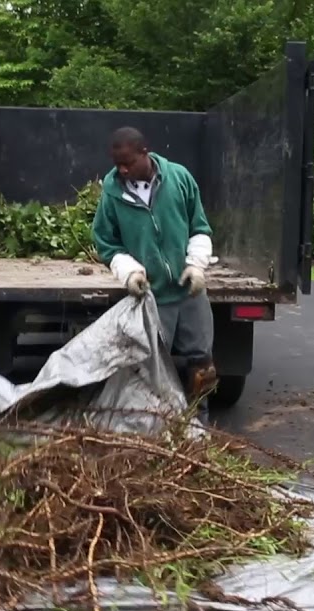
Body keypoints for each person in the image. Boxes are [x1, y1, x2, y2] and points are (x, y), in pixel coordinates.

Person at [91, 127, 217, 420]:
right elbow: (107, 243)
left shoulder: (179, 178)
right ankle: (158, 432)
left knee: (203, 367)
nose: (122, 169)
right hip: (153, 298)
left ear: (144, 153)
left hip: (189, 294)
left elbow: (199, 226)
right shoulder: (112, 192)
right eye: (117, 164)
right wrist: (130, 272)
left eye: (128, 163)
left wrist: (197, 265)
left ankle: (199, 426)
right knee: (153, 371)